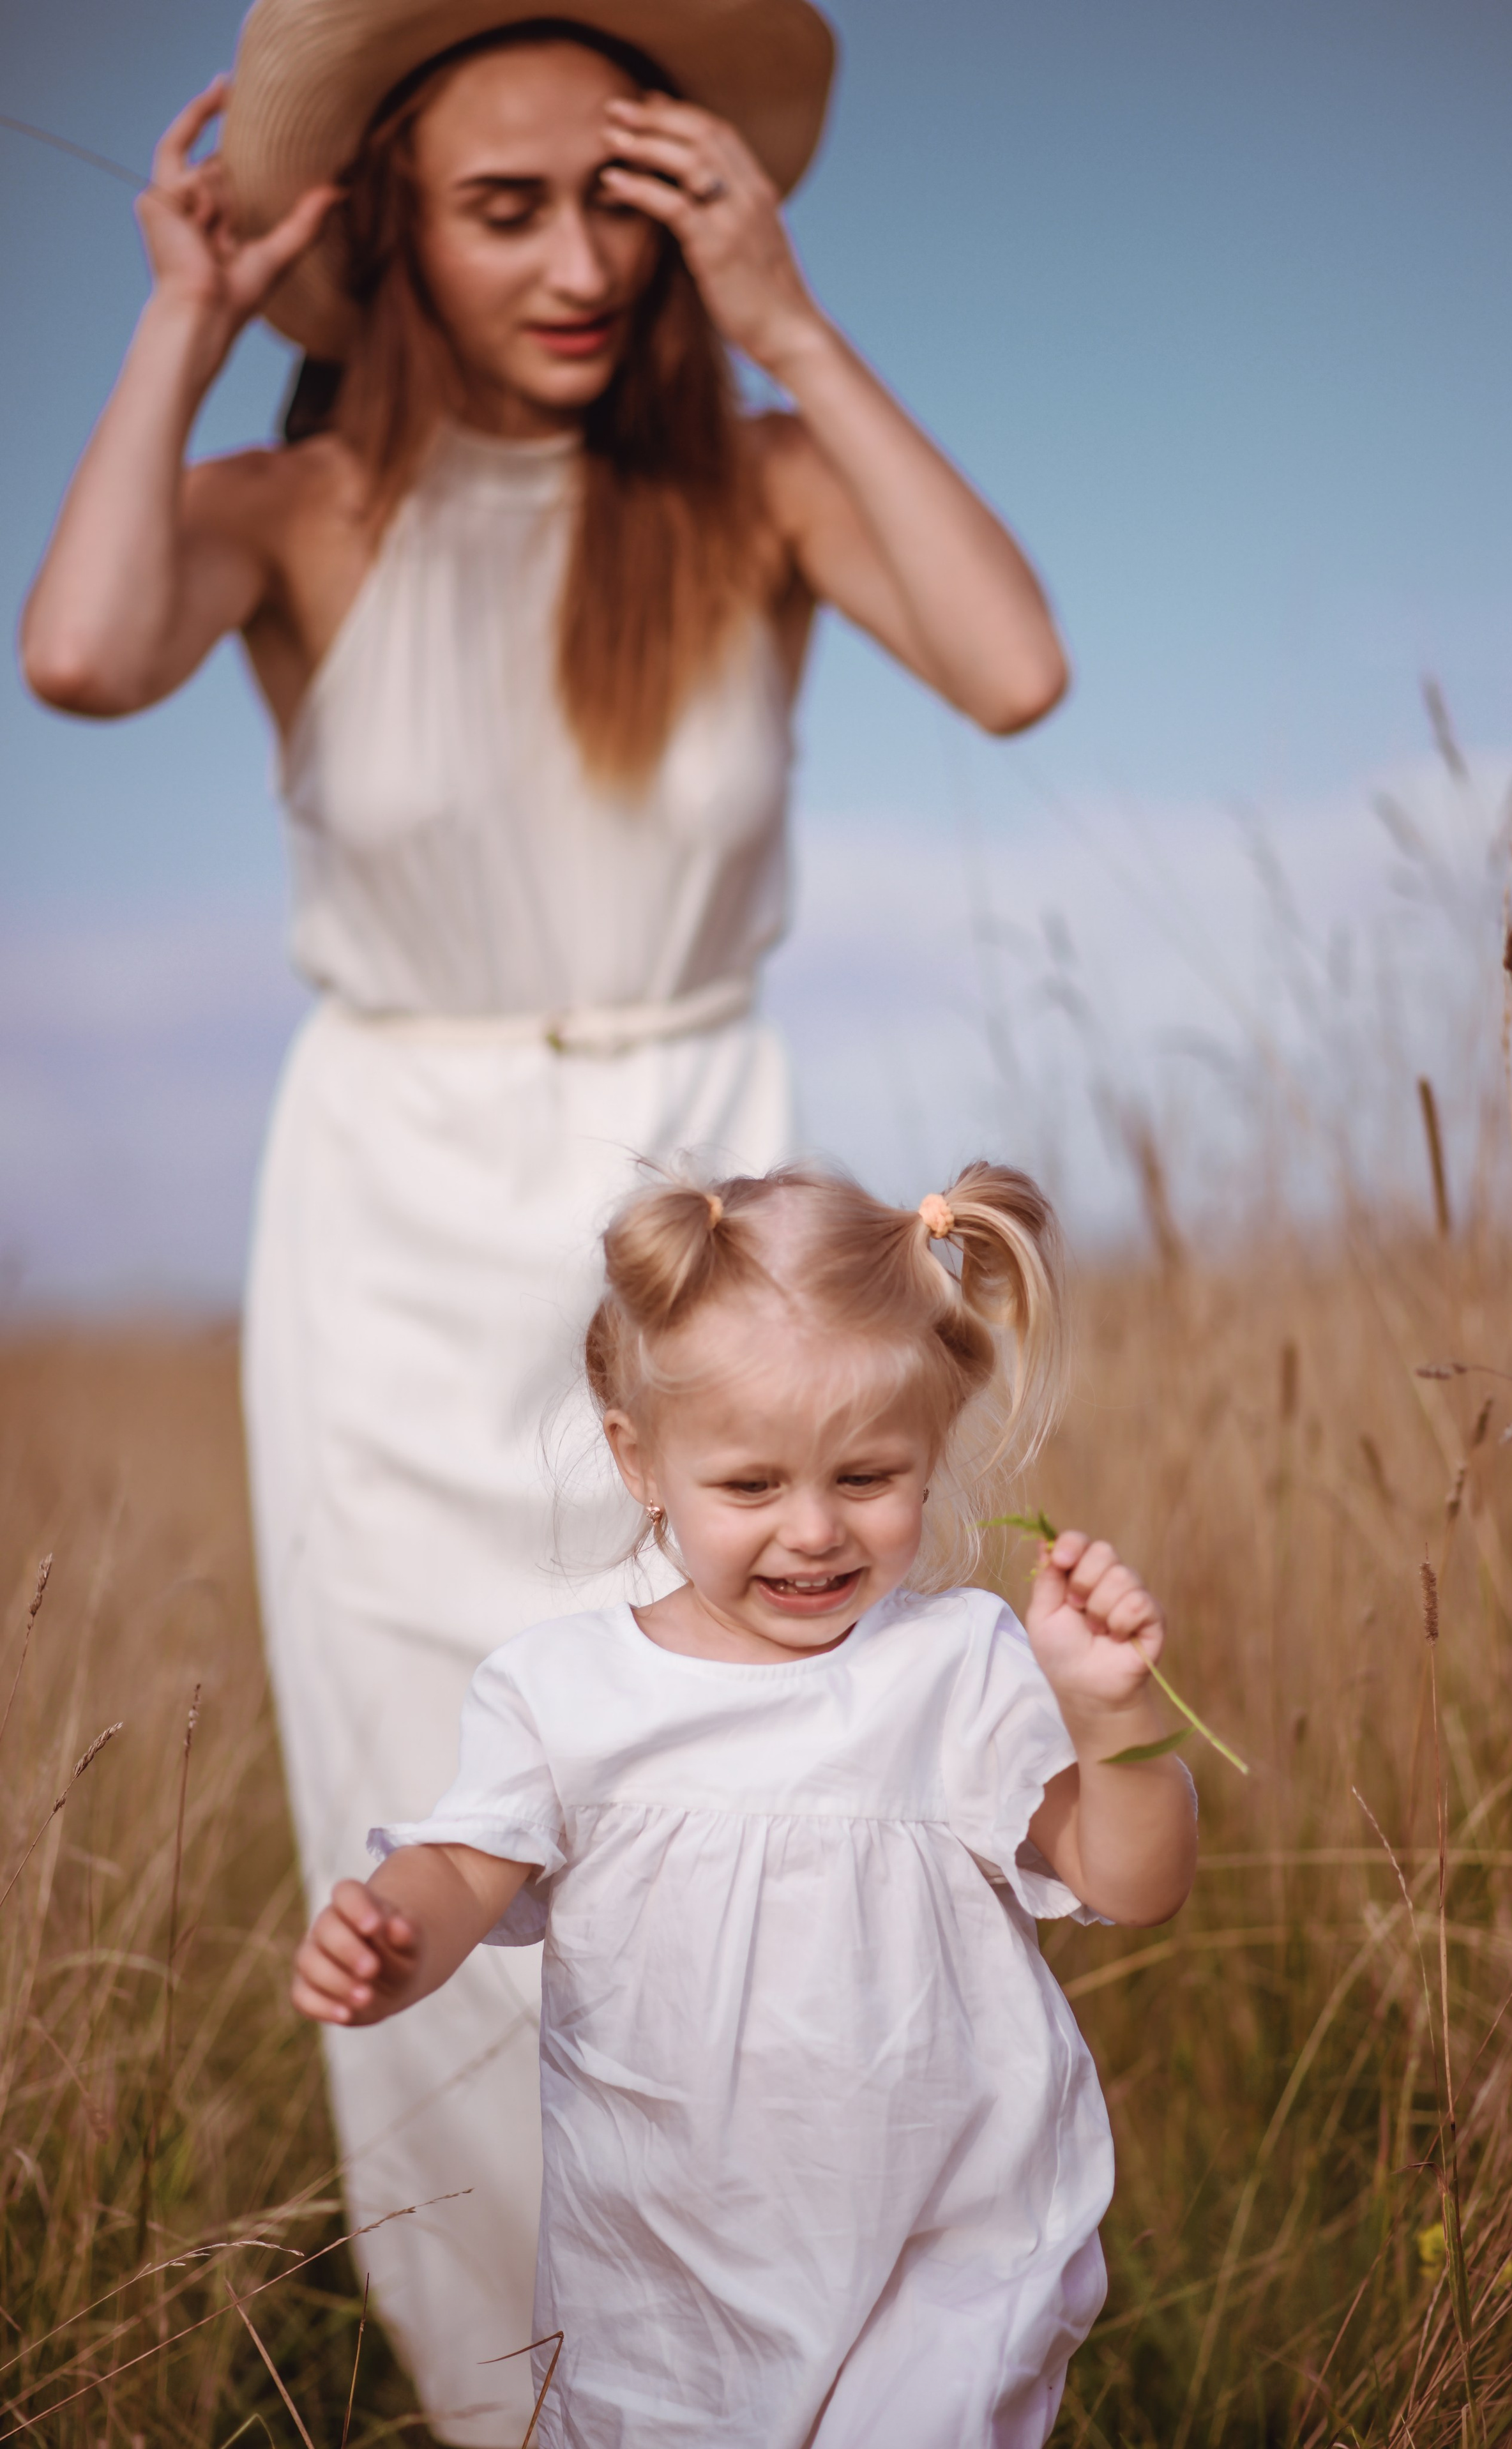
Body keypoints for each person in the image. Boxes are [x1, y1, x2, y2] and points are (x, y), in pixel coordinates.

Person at [20, 3, 1069, 2436]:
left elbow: (1016, 671)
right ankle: (535, 2398)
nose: (583, 259)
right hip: (392, 1217)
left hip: (710, 1210)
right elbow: (75, 652)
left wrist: (788, 314)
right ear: (385, 228)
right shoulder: (309, 519)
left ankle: (803, 2371)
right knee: (446, 1824)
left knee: (738, 1797)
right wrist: (188, 309)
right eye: (507, 207)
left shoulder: (759, 483)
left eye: (625, 195)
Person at [292, 1160, 1198, 2448]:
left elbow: (1132, 1881)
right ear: (640, 1460)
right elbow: (455, 1874)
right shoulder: (564, 1695)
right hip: (662, 2295)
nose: (813, 1530)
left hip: (939, 2267)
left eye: (869, 1476)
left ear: (931, 1446)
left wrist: (1113, 1718)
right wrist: (387, 1932)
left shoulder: (958, 1666)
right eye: (752, 1485)